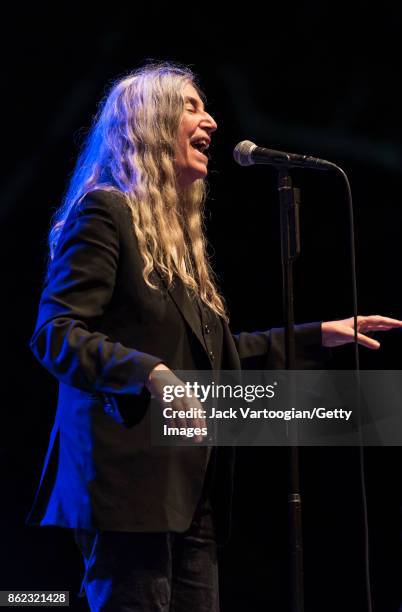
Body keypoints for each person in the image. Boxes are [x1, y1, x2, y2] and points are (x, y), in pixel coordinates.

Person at [26, 61, 402, 612]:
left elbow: (215, 363)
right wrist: (150, 374)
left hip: (188, 489)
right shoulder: (105, 213)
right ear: (149, 124)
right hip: (127, 488)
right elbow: (55, 332)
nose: (212, 122)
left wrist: (317, 335)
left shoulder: (173, 249)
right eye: (191, 106)